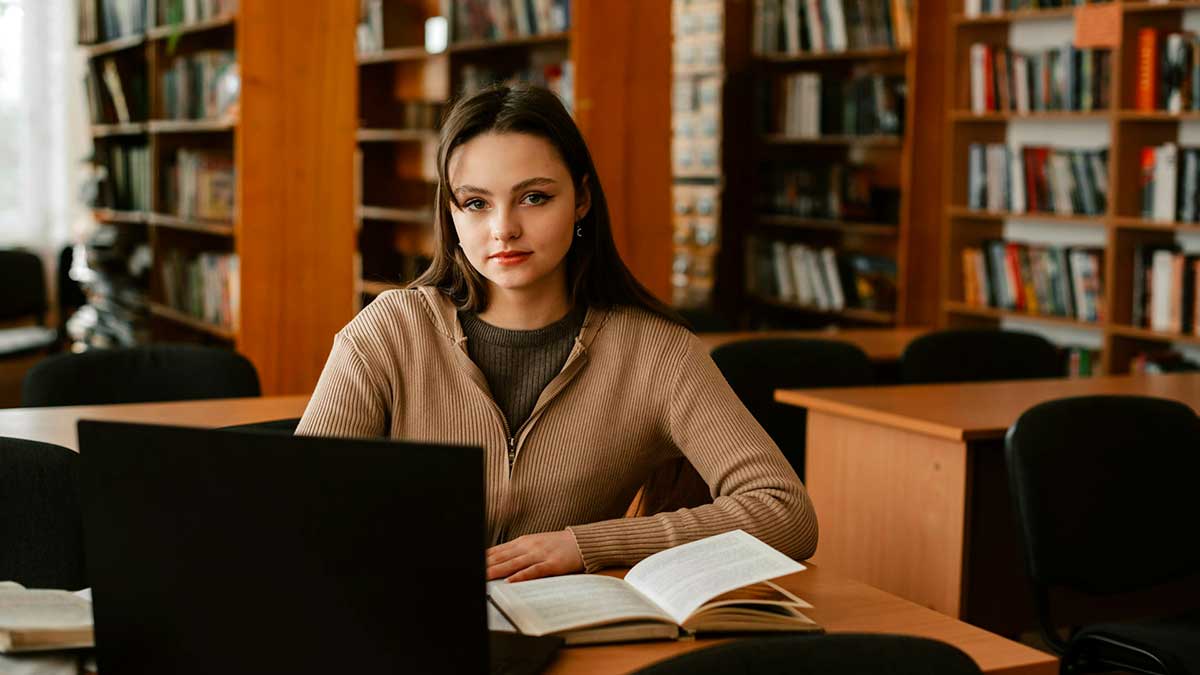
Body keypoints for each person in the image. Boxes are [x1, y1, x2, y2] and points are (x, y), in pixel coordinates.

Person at [297, 83, 817, 582]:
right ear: (450, 212)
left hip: (568, 638)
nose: (504, 228)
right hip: (404, 625)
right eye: (476, 203)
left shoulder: (657, 352)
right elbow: (296, 506)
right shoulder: (390, 330)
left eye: (534, 198)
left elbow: (785, 511)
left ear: (582, 199)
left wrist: (586, 545)